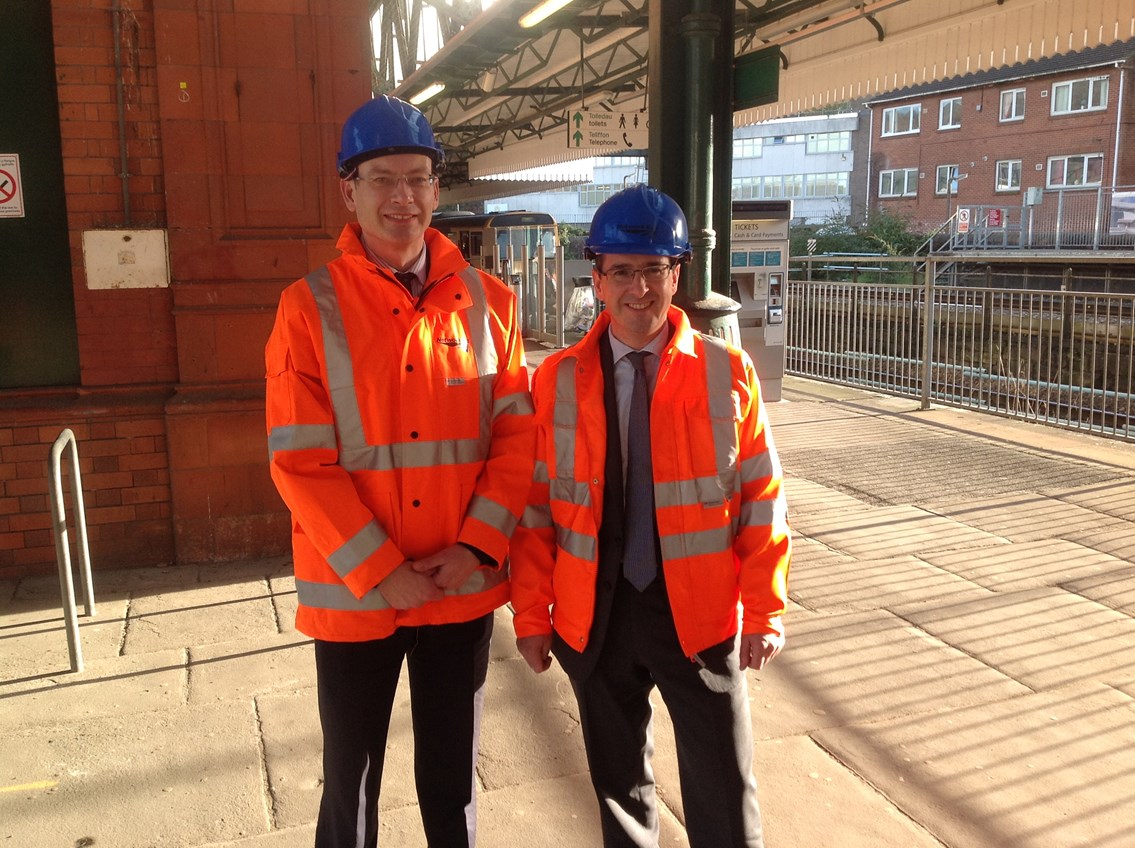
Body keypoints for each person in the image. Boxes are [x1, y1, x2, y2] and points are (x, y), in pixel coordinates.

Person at [265, 95, 534, 848]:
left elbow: (518, 442)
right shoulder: (306, 309)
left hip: (459, 585)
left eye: (417, 178)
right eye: (382, 178)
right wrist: (382, 569)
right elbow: (299, 461)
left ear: (436, 188)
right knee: (349, 785)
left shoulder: (491, 306)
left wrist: (477, 547)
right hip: (359, 597)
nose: (402, 198)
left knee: (452, 784)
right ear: (347, 191)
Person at [510, 185, 791, 848]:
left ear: (678, 273)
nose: (640, 289)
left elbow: (760, 496)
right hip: (594, 617)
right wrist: (530, 616)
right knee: (617, 791)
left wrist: (766, 607)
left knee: (722, 785)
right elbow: (535, 510)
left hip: (698, 617)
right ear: (597, 278)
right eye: (623, 271)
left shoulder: (727, 372)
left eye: (655, 270)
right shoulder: (555, 380)